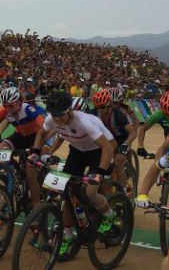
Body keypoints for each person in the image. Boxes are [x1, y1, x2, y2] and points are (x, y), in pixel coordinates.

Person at [29, 89, 119, 256]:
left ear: (69, 110)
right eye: (54, 115)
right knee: (68, 193)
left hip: (97, 152)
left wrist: (99, 173)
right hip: (77, 152)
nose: (57, 119)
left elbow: (107, 147)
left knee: (91, 191)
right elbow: (41, 133)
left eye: (60, 115)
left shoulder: (84, 122)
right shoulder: (53, 118)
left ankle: (108, 214)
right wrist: (35, 151)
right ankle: (68, 236)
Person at [0, 86, 44, 211]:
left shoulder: (28, 109)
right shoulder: (5, 111)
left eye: (10, 106)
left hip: (34, 138)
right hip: (19, 137)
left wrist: (36, 148)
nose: (8, 109)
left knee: (30, 174)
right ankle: (7, 173)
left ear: (19, 102)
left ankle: (36, 206)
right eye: (5, 106)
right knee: (1, 148)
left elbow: (43, 128)